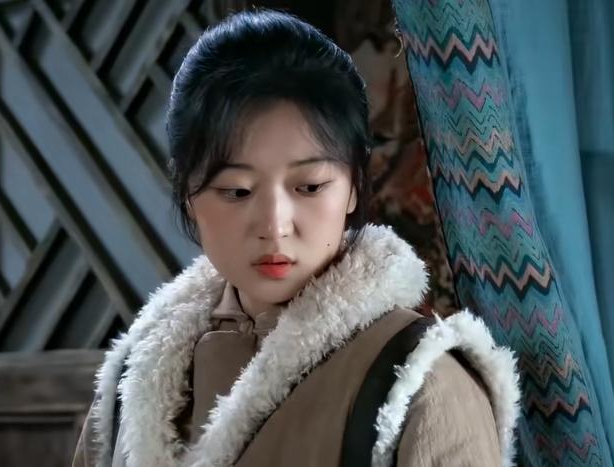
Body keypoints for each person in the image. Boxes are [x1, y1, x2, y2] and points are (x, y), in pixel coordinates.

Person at [72, 9, 520, 467]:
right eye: (237, 191)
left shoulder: (419, 381)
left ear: (353, 186)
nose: (275, 224)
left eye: (309, 187)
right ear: (188, 195)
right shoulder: (134, 383)